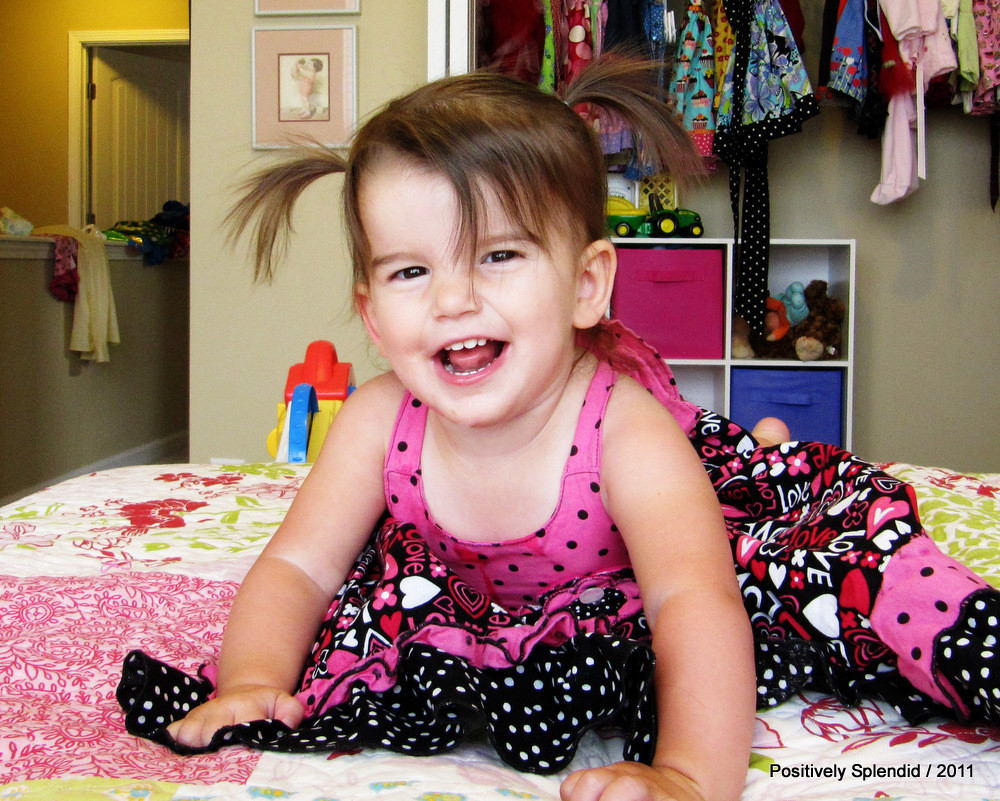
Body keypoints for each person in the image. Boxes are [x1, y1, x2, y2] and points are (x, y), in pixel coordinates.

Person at [118, 55, 1000, 801]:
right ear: (373, 315)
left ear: (586, 285)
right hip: (488, 590)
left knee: (810, 554)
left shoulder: (624, 431)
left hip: (648, 536)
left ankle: (759, 445)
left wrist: (688, 774)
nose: (453, 299)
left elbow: (692, 601)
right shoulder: (379, 420)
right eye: (410, 271)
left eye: (499, 254)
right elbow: (300, 566)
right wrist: (252, 679)